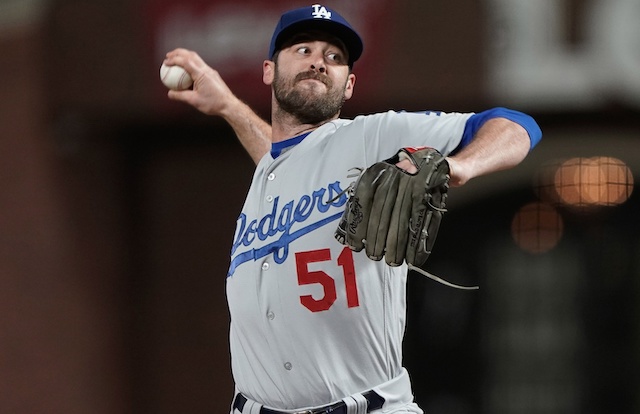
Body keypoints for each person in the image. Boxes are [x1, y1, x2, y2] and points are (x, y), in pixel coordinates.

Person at [163, 4, 542, 414]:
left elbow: (517, 125)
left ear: (349, 85)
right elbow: (283, 157)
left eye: (334, 57)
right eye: (303, 49)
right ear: (269, 70)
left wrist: (461, 165)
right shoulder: (274, 169)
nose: (319, 62)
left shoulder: (370, 137)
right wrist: (228, 106)